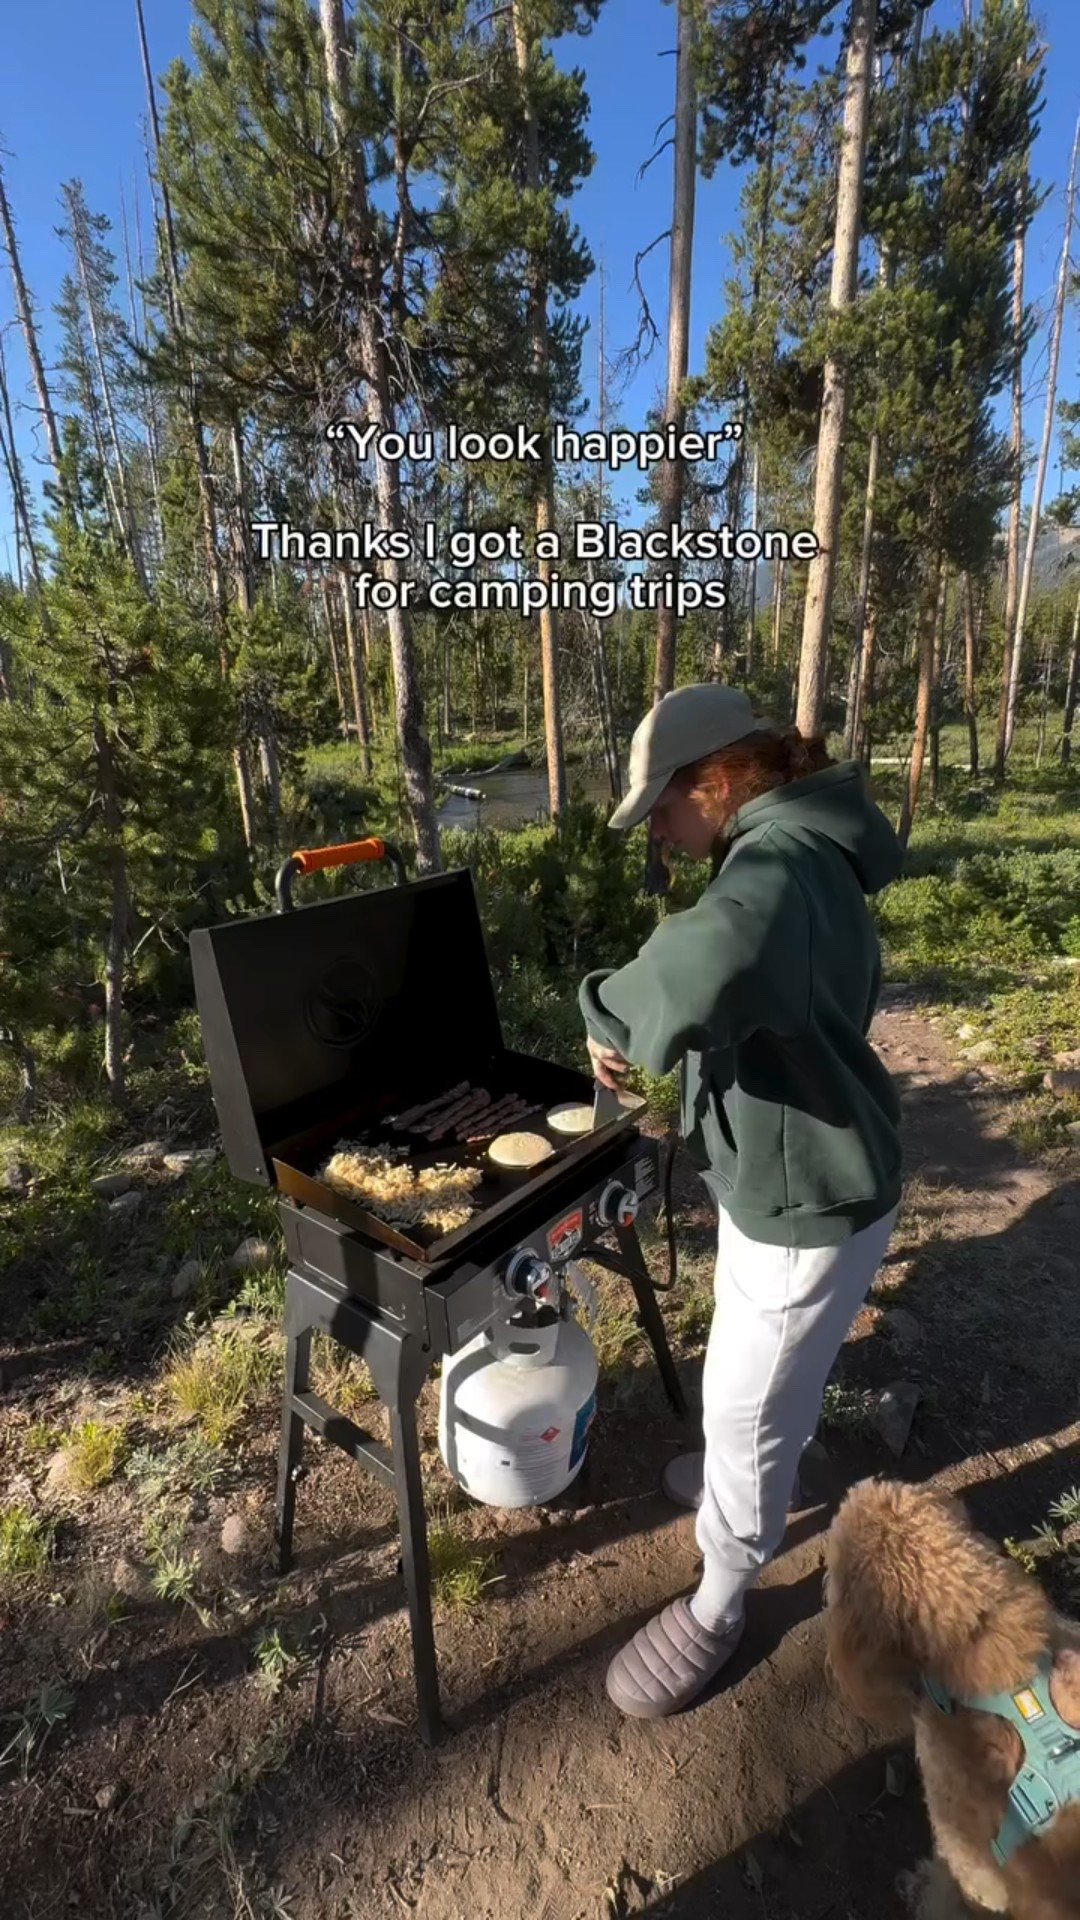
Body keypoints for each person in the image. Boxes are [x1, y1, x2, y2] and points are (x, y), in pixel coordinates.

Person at [579, 683, 904, 1721]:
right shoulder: (812, 849)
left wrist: (610, 1014)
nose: (663, 840)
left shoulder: (770, 869)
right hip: (807, 1162)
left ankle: (721, 1598)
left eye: (664, 813)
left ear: (716, 782)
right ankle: (738, 1481)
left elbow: (710, 955)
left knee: (747, 1403)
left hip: (809, 1198)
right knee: (769, 1376)